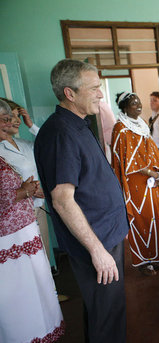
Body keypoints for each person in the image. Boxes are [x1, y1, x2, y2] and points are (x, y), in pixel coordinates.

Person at [34, 59, 129, 343]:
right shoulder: (61, 133)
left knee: (104, 311)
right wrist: (98, 251)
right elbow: (62, 201)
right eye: (95, 88)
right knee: (108, 315)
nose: (101, 94)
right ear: (70, 93)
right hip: (96, 241)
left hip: (104, 234)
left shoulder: (77, 124)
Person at [0, 100, 64, 343]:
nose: (14, 121)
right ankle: (28, 325)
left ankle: (45, 316)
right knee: (22, 275)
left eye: (17, 116)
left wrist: (32, 124)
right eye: (9, 117)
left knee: (40, 266)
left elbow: (47, 146)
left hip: (34, 213)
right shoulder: (1, 151)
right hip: (14, 223)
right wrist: (28, 191)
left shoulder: (24, 144)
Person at [111, 91, 159, 276]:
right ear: (124, 108)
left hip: (151, 182)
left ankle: (158, 257)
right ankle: (143, 261)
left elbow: (151, 153)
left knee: (155, 218)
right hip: (135, 184)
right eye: (133, 104)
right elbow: (129, 161)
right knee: (140, 220)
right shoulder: (120, 128)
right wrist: (153, 172)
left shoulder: (142, 125)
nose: (138, 106)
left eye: (139, 102)